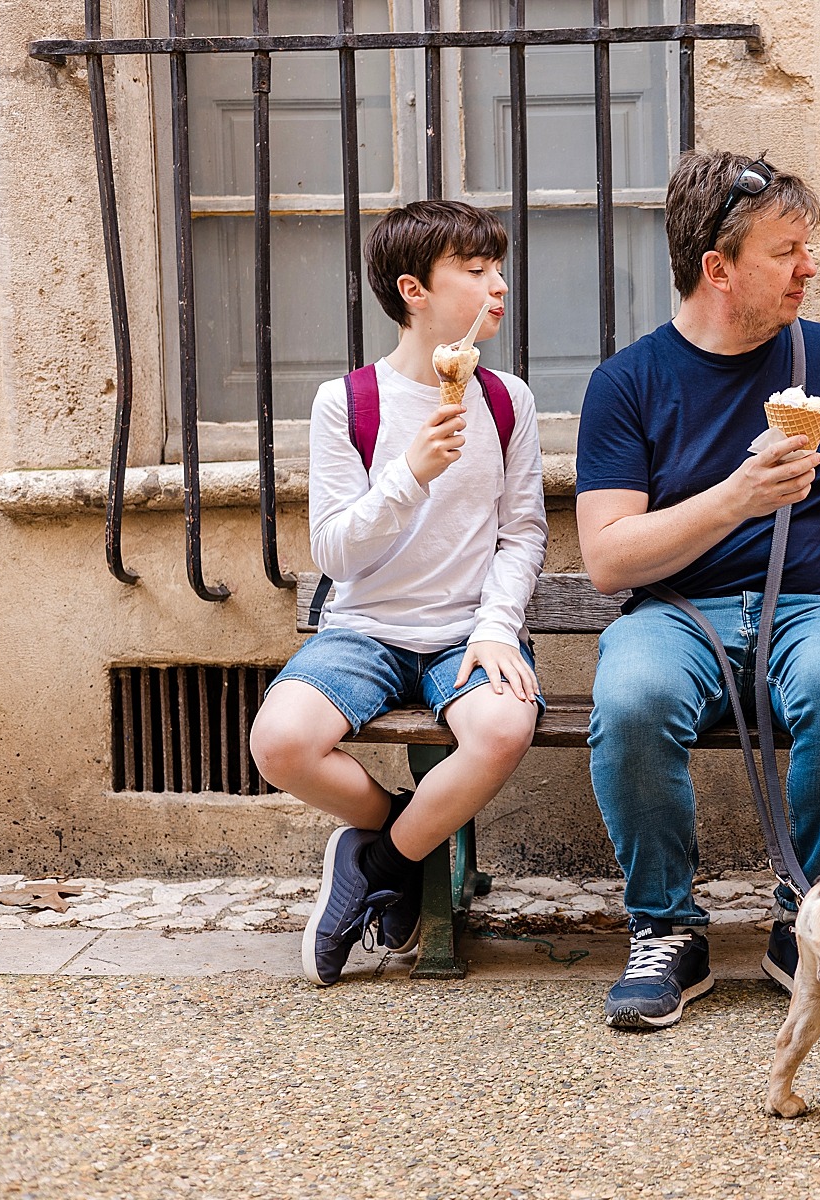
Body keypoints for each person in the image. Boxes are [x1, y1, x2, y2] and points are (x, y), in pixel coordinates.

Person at [576, 150, 820, 1029]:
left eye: (807, 248)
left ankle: (810, 920)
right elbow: (610, 559)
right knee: (632, 698)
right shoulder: (628, 383)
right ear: (719, 268)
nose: (808, 267)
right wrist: (737, 496)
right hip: (675, 610)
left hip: (815, 610)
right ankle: (665, 925)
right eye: (787, 251)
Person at [250, 200, 548, 988]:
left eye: (499, 269)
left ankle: (377, 861)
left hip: (467, 631)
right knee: (278, 743)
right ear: (414, 290)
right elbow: (335, 551)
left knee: (501, 731)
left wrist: (495, 627)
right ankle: (404, 850)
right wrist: (409, 476)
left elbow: (522, 534)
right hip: (367, 628)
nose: (499, 287)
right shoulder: (349, 403)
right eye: (477, 272)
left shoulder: (507, 399)